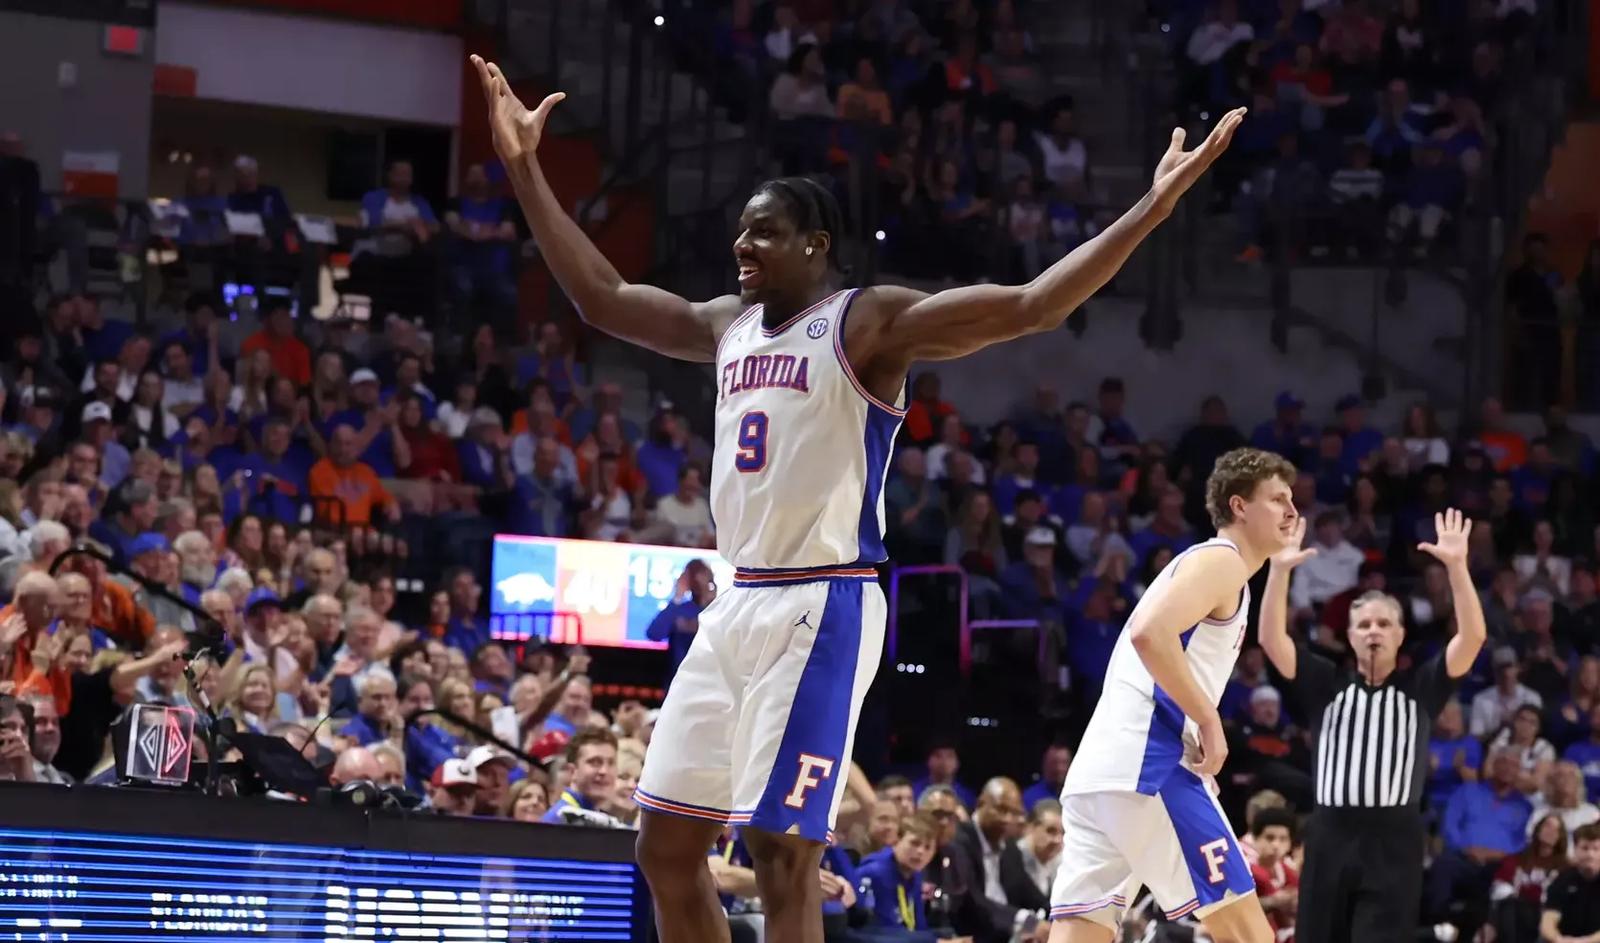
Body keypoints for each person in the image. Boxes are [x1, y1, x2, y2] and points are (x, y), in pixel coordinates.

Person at [473, 51, 1245, 943]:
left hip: (824, 596)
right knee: (667, 845)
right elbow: (601, 297)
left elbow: (1032, 304)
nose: (741, 246)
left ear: (815, 245)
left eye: (763, 233)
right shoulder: (725, 323)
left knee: (779, 846)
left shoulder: (867, 324)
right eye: (740, 232)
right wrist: (524, 167)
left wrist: (1152, 207)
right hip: (738, 599)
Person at [1049, 448, 1298, 943]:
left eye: (1293, 500)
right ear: (1239, 506)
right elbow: (1149, 632)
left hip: (1103, 773)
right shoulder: (1221, 560)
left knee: (1081, 931)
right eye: (1277, 499)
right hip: (1151, 766)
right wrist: (1209, 722)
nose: (1293, 511)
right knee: (1250, 934)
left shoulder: (1214, 570)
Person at [1260, 509, 1486, 943]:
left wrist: (1457, 567)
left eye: (1384, 623)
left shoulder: (1422, 686)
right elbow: (1272, 640)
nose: (1373, 631)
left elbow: (1472, 638)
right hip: (1329, 833)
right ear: (1349, 636)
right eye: (1363, 625)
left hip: (1394, 838)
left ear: (1401, 636)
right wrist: (1279, 569)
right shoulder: (1324, 682)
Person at [1541, 822, 1600, 943]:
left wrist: (1584, 941)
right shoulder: (1562, 879)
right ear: (1575, 850)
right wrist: (1557, 939)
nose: (1590, 854)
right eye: (1585, 848)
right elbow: (1549, 919)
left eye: (1596, 849)